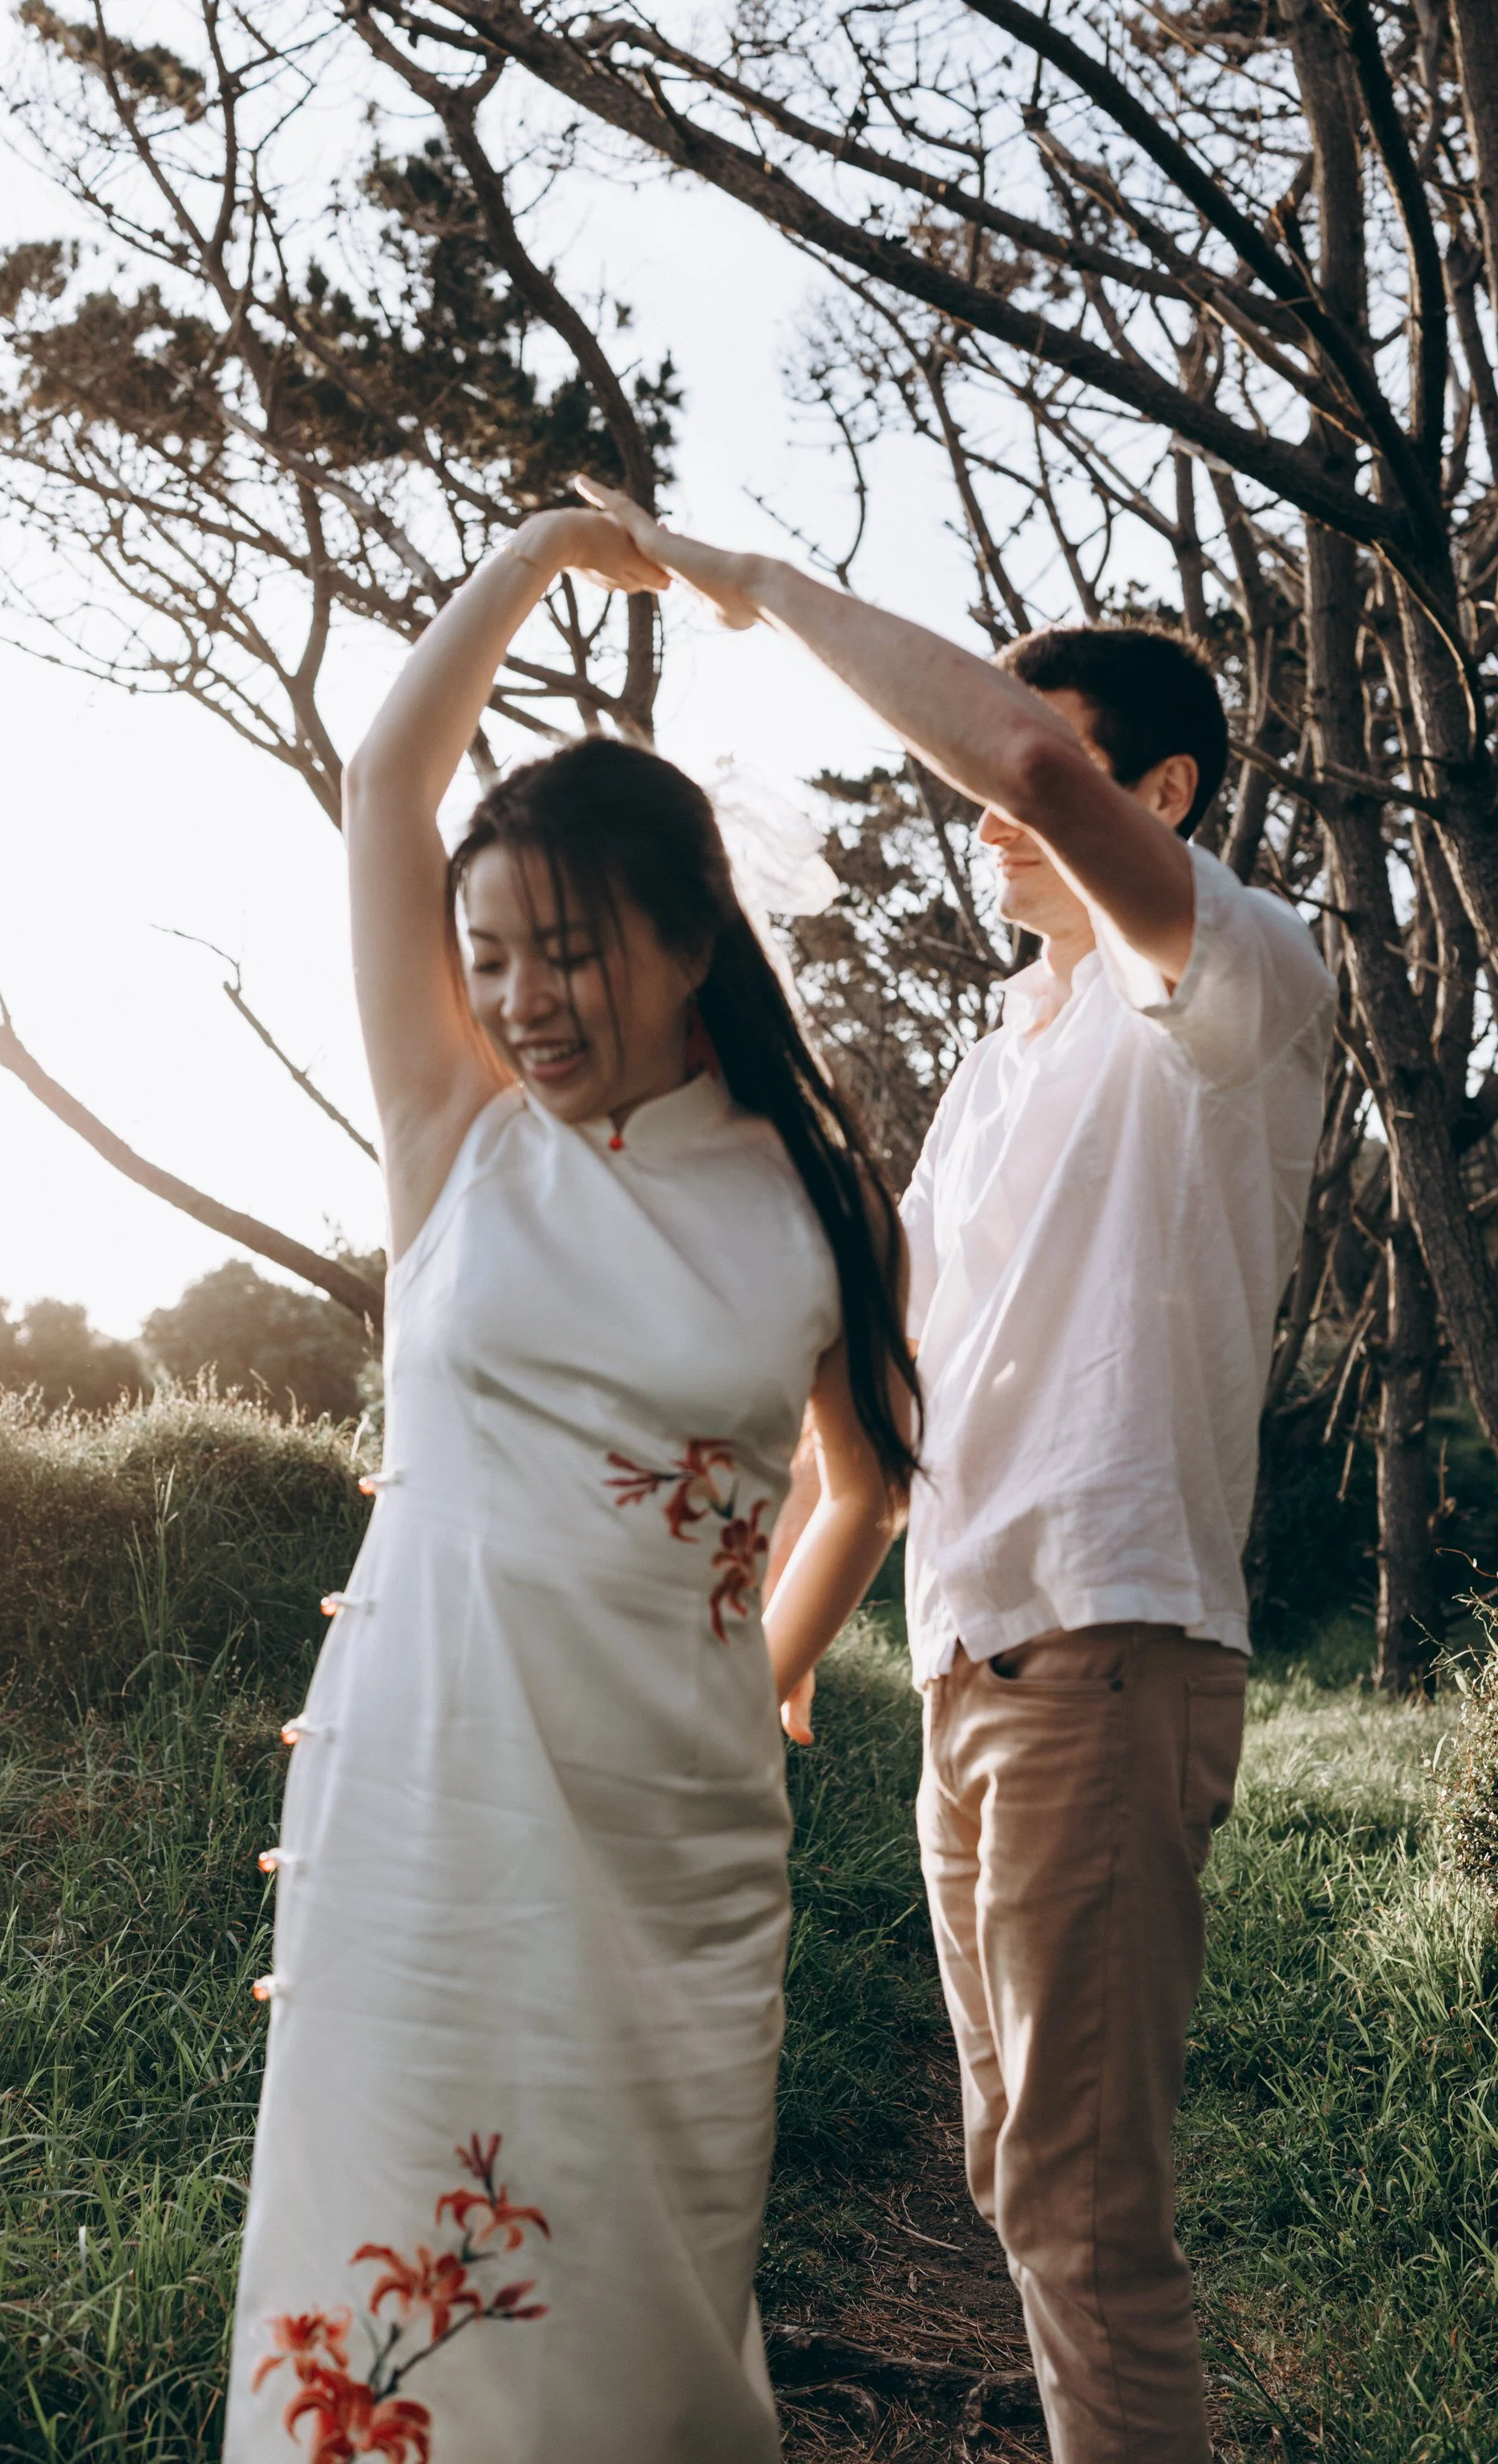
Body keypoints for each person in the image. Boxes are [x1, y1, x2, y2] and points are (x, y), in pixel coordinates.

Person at [578, 480, 1337, 2464]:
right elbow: (875, 1407)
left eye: (1036, 784)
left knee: (1084, 2222)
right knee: (1016, 2182)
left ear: (1158, 795)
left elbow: (1015, 759)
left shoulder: (1237, 982)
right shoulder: (1005, 1062)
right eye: (990, 794)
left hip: (1108, 1651)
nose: (982, 818)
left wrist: (752, 585)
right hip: (967, 1669)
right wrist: (762, 1652)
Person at [221, 505, 917, 2464]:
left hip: (677, 1830)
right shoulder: (454, 1135)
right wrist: (538, 549)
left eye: (572, 952)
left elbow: (867, 1483)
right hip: (424, 1791)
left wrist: (766, 1681)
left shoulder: (814, 1202)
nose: (524, 996)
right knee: (390, 2212)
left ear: (690, 940)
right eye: (493, 957)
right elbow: (388, 778)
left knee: (638, 2268)